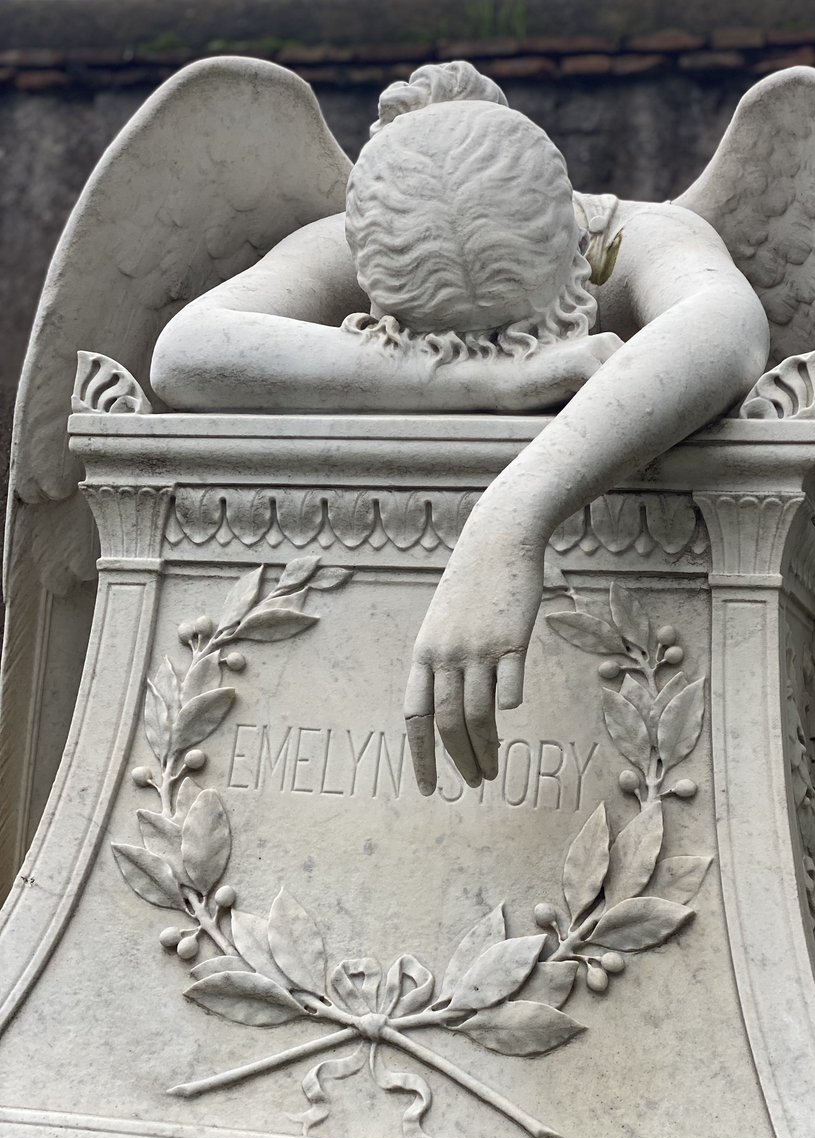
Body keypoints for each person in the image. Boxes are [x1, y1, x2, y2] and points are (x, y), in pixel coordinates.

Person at [150, 62, 769, 796]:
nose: (500, 349)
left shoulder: (638, 236)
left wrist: (509, 520)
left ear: (573, 247)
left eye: (522, 331)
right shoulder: (368, 225)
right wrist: (490, 382)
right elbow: (186, 352)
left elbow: (725, 327)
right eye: (437, 337)